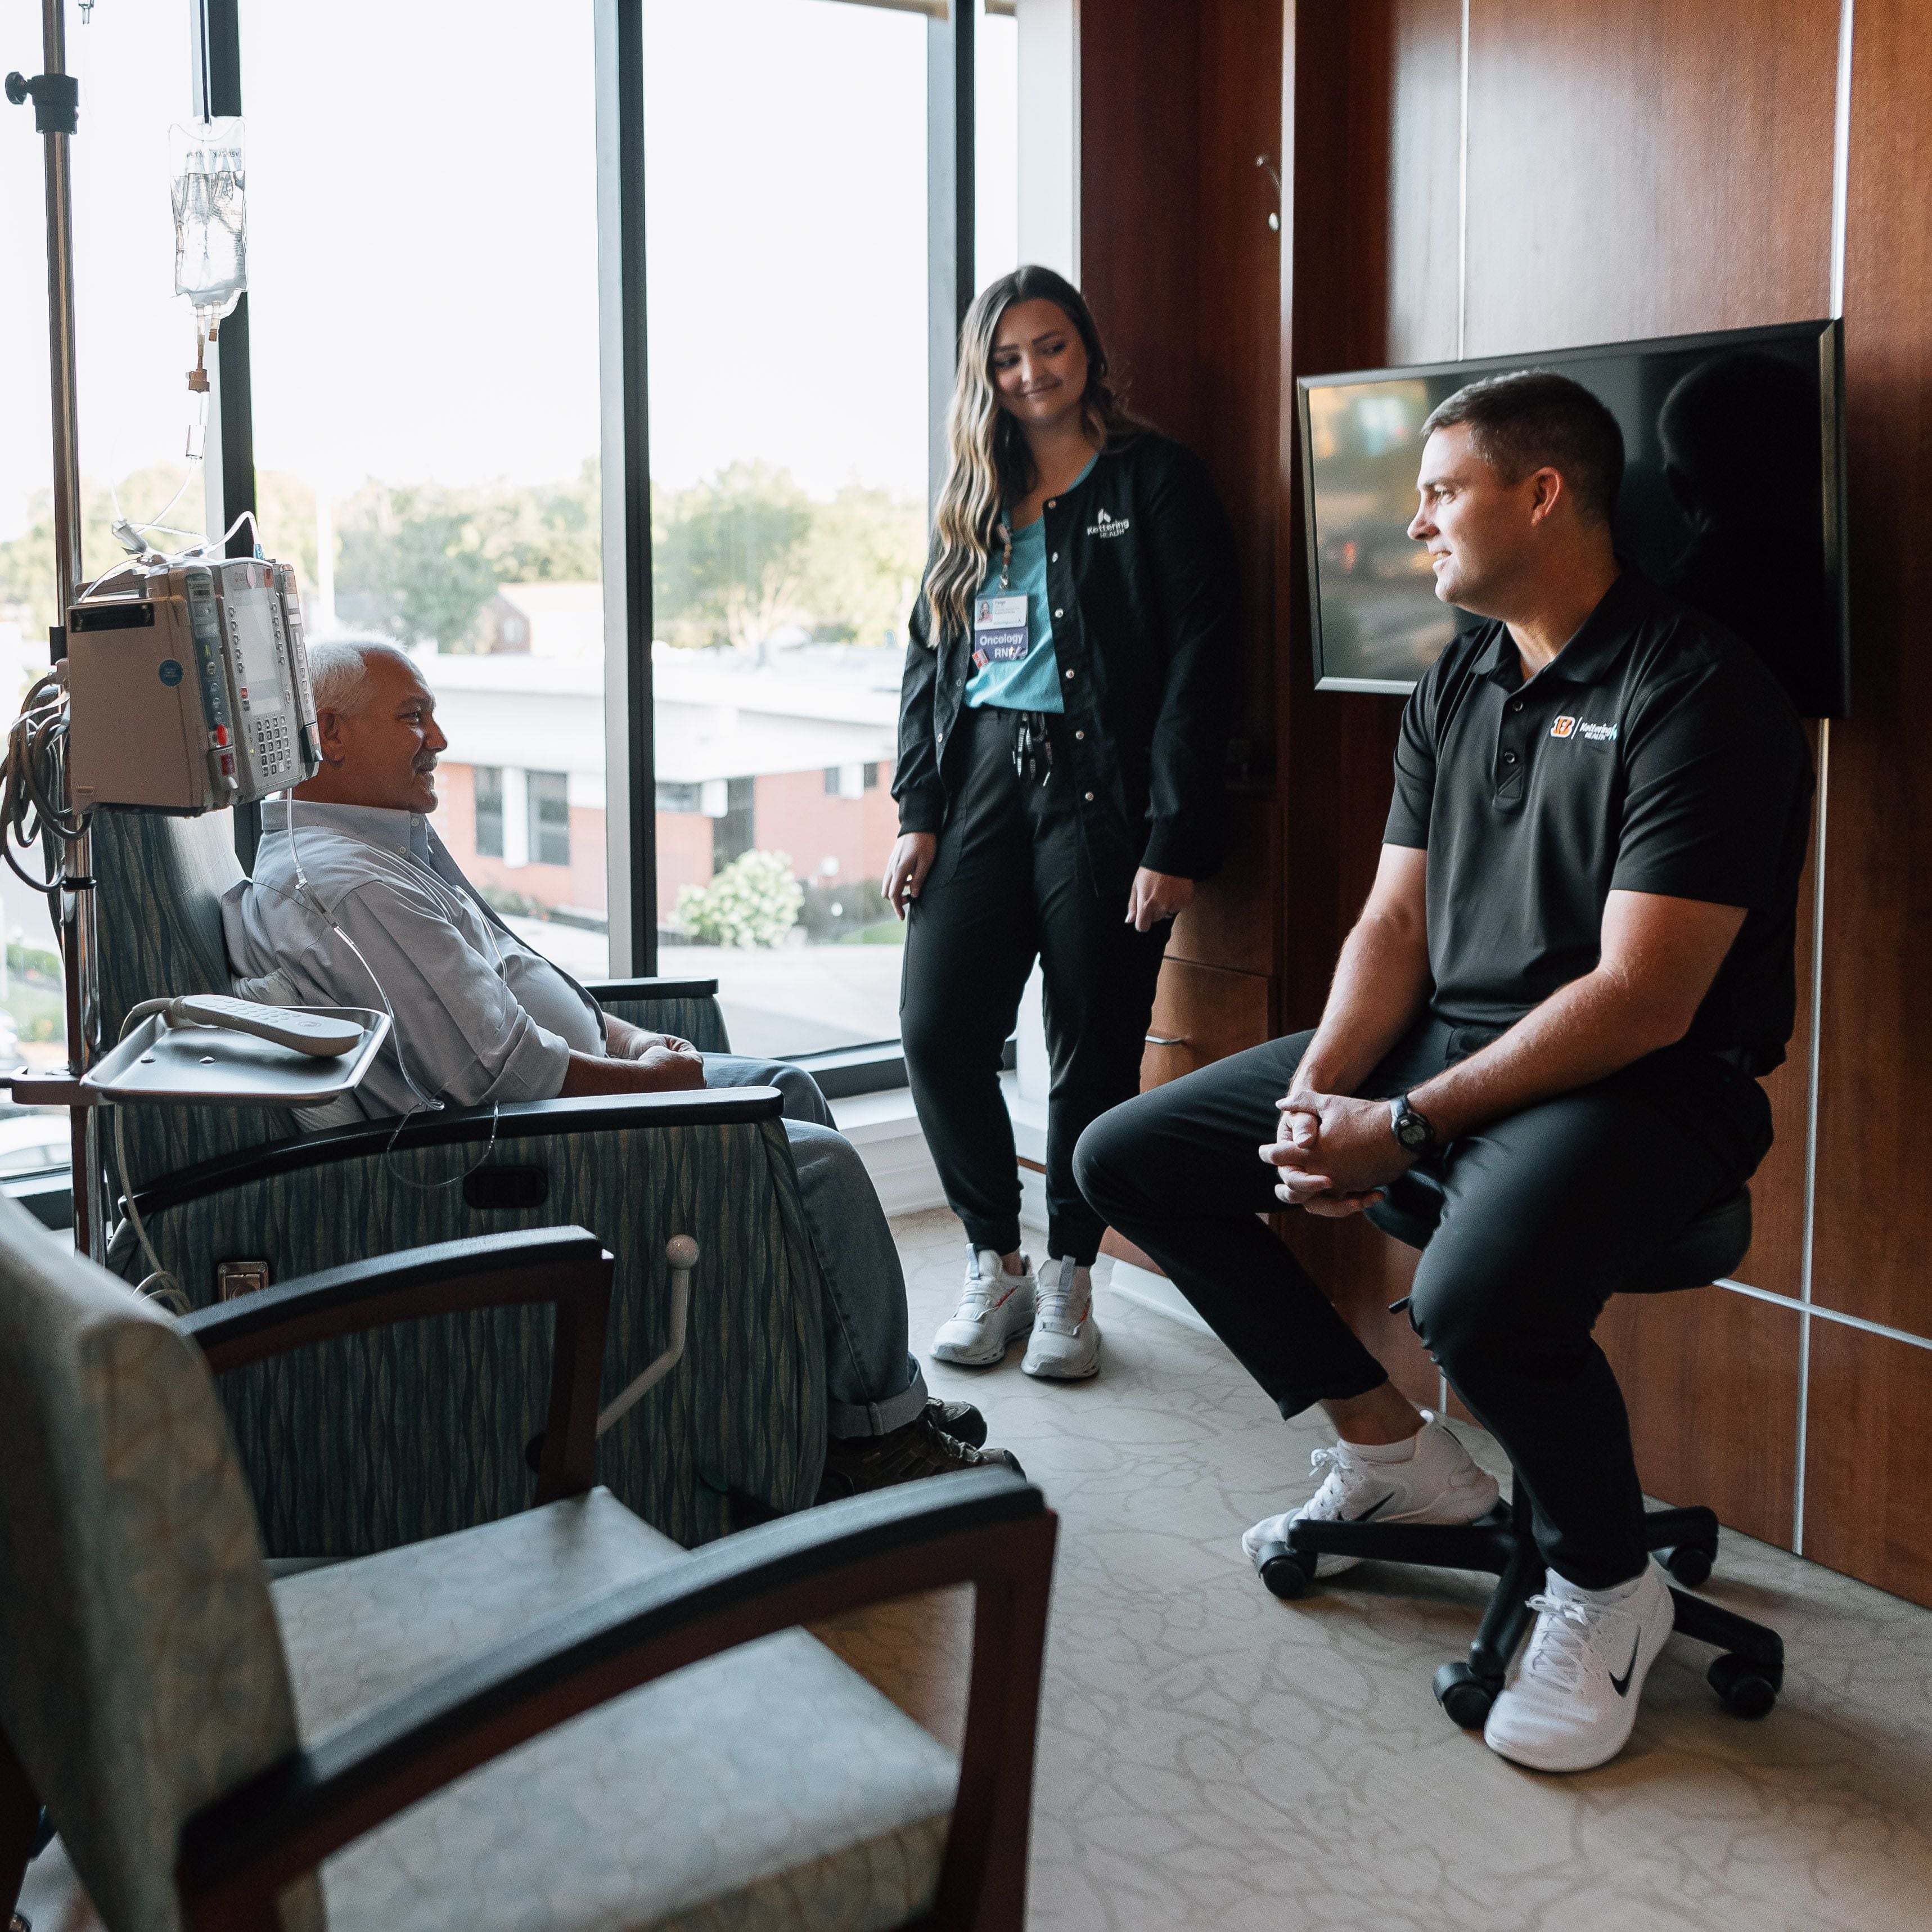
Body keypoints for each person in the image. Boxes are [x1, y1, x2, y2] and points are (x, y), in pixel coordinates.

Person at [1074, 370, 1813, 1773]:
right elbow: (1393, 921)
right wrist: (1320, 1099)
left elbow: (1642, 997)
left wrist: (1397, 1125)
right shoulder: (1456, 673)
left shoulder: (1700, 691)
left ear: (1539, 494)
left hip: (1648, 1083)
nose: (1411, 521)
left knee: (1471, 1297)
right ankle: (1392, 1454)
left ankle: (1607, 1587)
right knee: (1129, 1157)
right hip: (1449, 1045)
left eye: (1439, 489)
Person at [223, 638, 1020, 1497]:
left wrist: (632, 1041)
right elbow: (504, 1078)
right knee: (817, 1166)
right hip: (519, 1152)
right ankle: (879, 1446)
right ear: (331, 735)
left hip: (578, 1086)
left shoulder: (385, 849)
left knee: (789, 1088)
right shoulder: (353, 888)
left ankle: (855, 1401)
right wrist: (649, 1085)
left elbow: (520, 983)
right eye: (414, 718)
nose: (441, 740)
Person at [886, 264, 1237, 1384]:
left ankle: (1072, 1274)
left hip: (1105, 794)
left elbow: (1200, 663)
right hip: (984, 778)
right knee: (938, 1026)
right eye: (1004, 355)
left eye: (1047, 345)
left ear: (1085, 348)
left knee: (1088, 1043)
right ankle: (995, 1260)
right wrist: (917, 810)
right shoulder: (971, 495)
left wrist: (1174, 834)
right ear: (980, 375)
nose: (1028, 371)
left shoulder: (1158, 480)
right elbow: (927, 663)